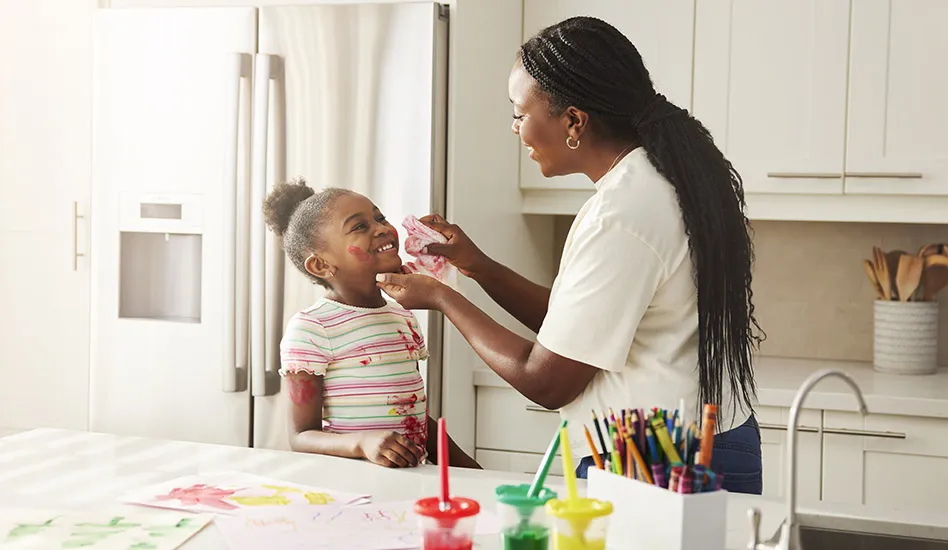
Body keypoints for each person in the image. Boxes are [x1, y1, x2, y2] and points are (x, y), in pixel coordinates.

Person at [375, 17, 765, 493]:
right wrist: (476, 266)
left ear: (574, 121)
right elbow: (576, 332)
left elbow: (549, 380)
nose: (516, 129)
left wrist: (442, 298)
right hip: (708, 441)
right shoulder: (661, 183)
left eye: (520, 113)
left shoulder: (621, 214)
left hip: (661, 462)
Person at [264, 178, 479, 469]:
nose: (380, 228)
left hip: (413, 482)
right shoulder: (311, 329)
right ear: (321, 265)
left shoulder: (403, 315)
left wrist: (475, 474)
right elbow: (301, 437)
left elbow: (414, 416)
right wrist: (361, 443)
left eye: (379, 217)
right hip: (354, 489)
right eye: (360, 226)